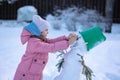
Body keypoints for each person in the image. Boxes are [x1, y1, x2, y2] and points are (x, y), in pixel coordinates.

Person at [14, 15, 78, 80]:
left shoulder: (40, 40)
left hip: (35, 74)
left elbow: (52, 41)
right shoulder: (34, 43)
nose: (48, 32)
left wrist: (66, 38)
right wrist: (68, 43)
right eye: (46, 30)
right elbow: (51, 47)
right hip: (26, 75)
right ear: (39, 31)